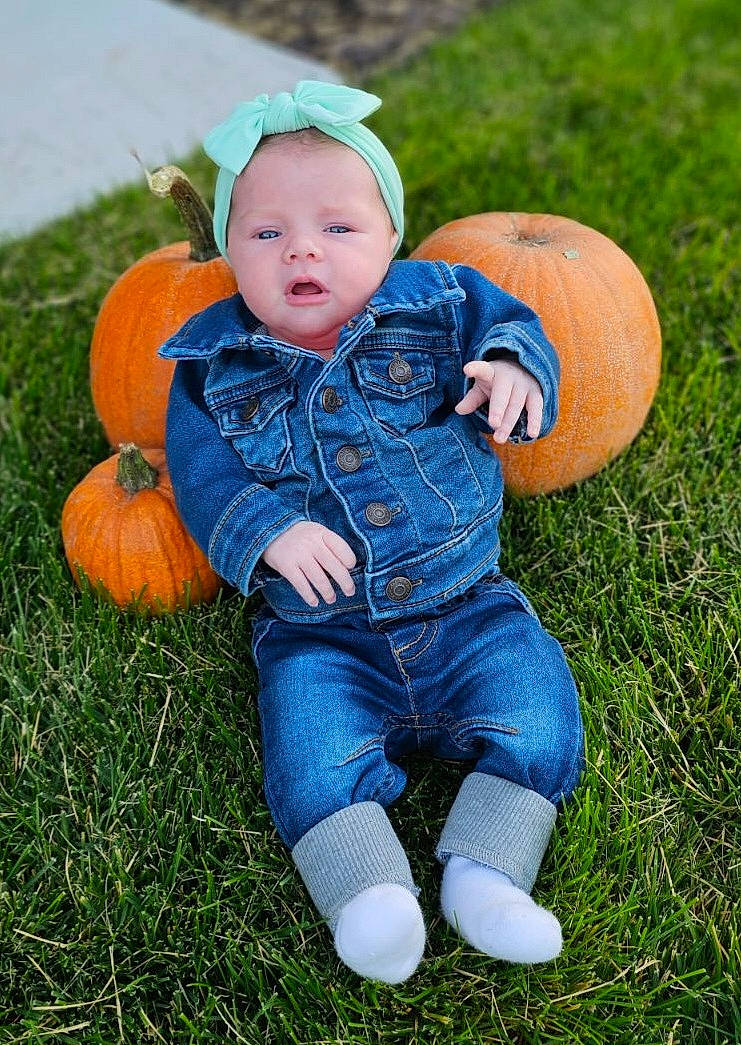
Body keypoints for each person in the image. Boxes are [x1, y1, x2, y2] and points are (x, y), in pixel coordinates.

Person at [159, 81, 584, 984]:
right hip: (319, 633)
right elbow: (199, 473)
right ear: (229, 250)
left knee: (539, 712)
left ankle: (487, 874)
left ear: (391, 235)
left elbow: (516, 324)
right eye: (266, 233)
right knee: (309, 756)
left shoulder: (440, 302)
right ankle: (371, 898)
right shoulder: (210, 363)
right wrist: (265, 528)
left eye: (338, 229)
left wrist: (513, 368)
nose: (301, 248)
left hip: (466, 602)